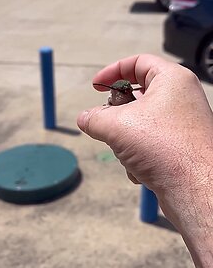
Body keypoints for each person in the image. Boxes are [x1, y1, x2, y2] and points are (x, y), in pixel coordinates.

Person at [78, 54, 213, 267]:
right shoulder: (114, 97)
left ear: (127, 93)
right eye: (114, 90)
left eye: (121, 91)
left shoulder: (130, 102)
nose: (116, 93)